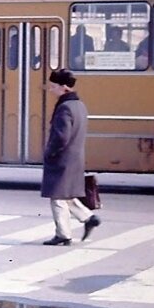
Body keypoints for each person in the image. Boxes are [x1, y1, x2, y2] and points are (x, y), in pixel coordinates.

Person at [40, 69, 100, 246]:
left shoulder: (65, 107)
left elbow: (61, 136)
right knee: (64, 194)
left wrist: (49, 152)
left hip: (62, 159)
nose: (51, 90)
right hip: (74, 157)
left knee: (57, 197)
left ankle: (63, 234)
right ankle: (88, 218)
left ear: (64, 88)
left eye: (53, 87)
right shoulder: (79, 105)